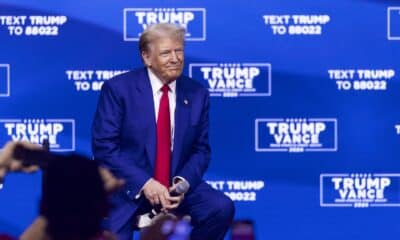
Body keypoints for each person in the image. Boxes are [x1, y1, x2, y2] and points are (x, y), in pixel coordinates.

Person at [92, 23, 235, 240]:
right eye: (166, 53)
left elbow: (201, 150)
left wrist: (182, 184)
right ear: (147, 57)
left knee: (220, 207)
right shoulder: (118, 89)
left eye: (179, 51)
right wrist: (145, 183)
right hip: (128, 185)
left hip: (175, 185)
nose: (175, 58)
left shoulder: (197, 93)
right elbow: (105, 148)